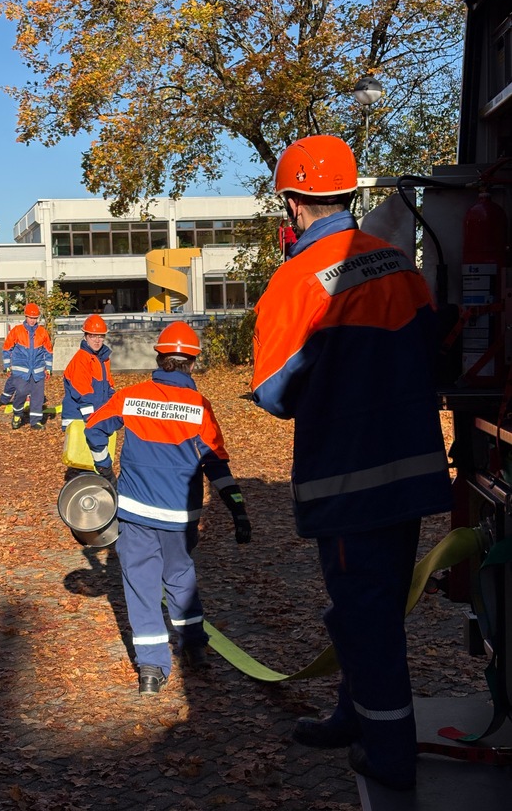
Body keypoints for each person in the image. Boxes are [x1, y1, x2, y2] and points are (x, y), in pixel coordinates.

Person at [251, 135, 453, 791]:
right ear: (347, 193)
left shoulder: (295, 282)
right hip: (410, 471)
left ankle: (389, 752)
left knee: (363, 613)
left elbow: (276, 394)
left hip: (348, 479)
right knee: (372, 605)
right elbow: (434, 350)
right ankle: (353, 712)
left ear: (292, 202)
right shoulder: (397, 263)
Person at [84, 321, 252, 695]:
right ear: (191, 362)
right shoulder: (199, 407)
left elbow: (93, 430)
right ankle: (194, 648)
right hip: (180, 516)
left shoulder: (131, 397)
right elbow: (216, 465)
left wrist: (103, 469)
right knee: (180, 577)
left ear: (159, 357)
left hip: (134, 513)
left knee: (141, 586)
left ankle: (151, 670)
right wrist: (237, 509)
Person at [61, 314, 115, 478]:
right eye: (93, 336)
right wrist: (92, 418)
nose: (97, 340)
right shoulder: (82, 359)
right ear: (85, 336)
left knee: (89, 458)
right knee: (85, 457)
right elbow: (82, 392)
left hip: (92, 416)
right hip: (79, 417)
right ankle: (89, 481)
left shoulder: (102, 359)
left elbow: (109, 386)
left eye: (100, 336)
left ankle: (88, 480)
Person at [1, 303, 53, 431]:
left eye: (35, 318)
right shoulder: (17, 331)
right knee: (22, 392)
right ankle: (17, 414)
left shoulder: (42, 332)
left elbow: (48, 351)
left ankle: (35, 421)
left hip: (37, 371)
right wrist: (7, 365)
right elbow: (7, 348)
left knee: (38, 396)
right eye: (30, 317)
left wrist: (49, 368)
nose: (32, 320)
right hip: (20, 370)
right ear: (25, 316)